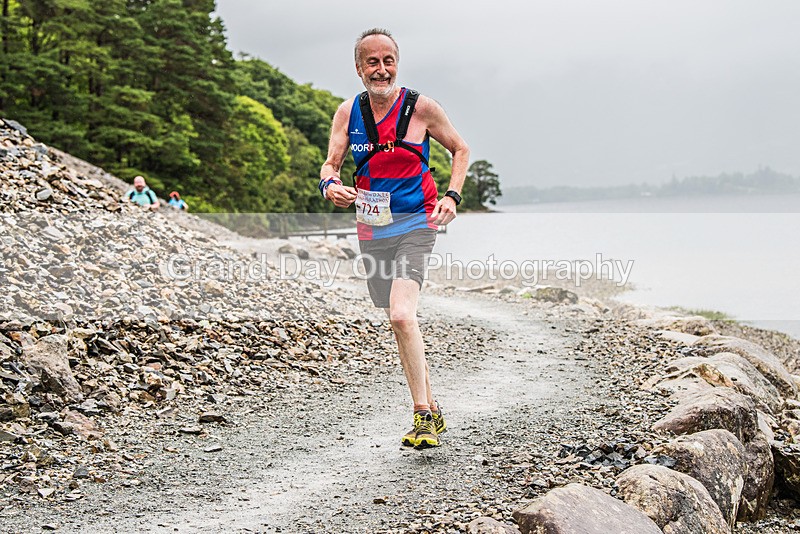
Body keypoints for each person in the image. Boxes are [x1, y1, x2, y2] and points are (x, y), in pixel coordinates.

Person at [320, 28, 470, 449]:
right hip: (372, 227)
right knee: (395, 318)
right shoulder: (348, 113)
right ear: (359, 68)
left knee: (402, 315)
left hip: (418, 223)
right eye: (372, 62)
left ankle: (422, 417)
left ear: (397, 65)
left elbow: (460, 148)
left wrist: (452, 196)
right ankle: (433, 407)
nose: (381, 69)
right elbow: (330, 164)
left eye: (388, 61)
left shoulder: (421, 108)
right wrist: (329, 186)